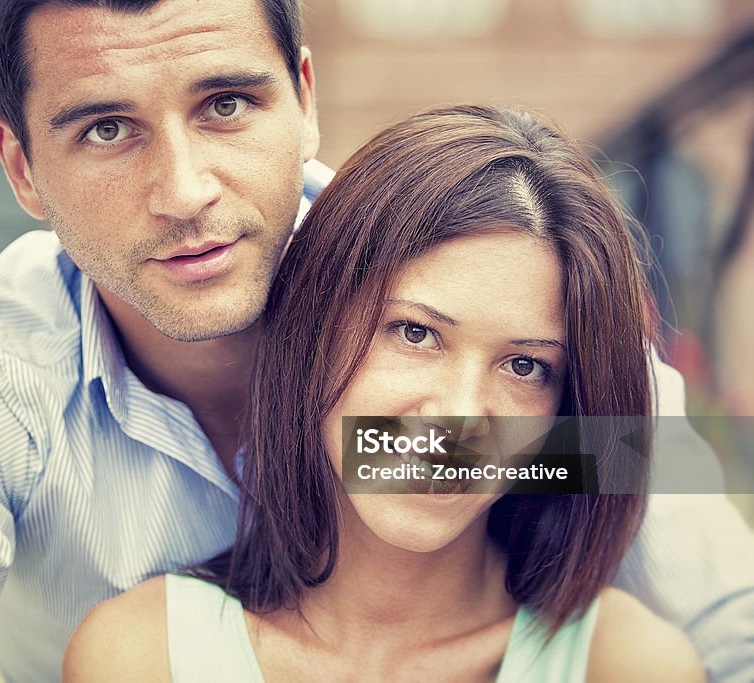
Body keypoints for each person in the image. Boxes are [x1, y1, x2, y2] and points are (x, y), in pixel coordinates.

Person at [0, 0, 753, 680]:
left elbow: (702, 586)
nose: (186, 192)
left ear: (303, 96)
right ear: (22, 169)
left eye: (227, 103)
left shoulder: (480, 289)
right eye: (107, 130)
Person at [63, 105, 706, 682]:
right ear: (315, 328)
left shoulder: (627, 664)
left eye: (524, 367)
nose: (456, 417)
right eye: (415, 332)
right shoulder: (143, 656)